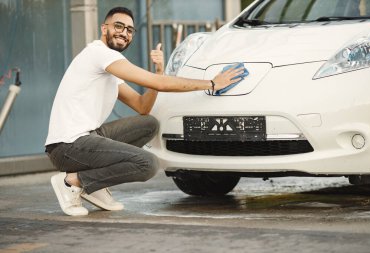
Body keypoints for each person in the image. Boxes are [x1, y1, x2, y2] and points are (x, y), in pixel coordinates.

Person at [45, 7, 244, 216]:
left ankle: (94, 184)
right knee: (147, 164)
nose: (124, 33)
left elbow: (142, 106)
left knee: (148, 124)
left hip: (87, 138)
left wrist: (158, 71)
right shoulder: (99, 54)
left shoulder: (109, 66)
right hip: (67, 146)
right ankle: (72, 182)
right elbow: (159, 83)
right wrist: (212, 83)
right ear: (104, 28)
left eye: (130, 30)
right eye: (118, 26)